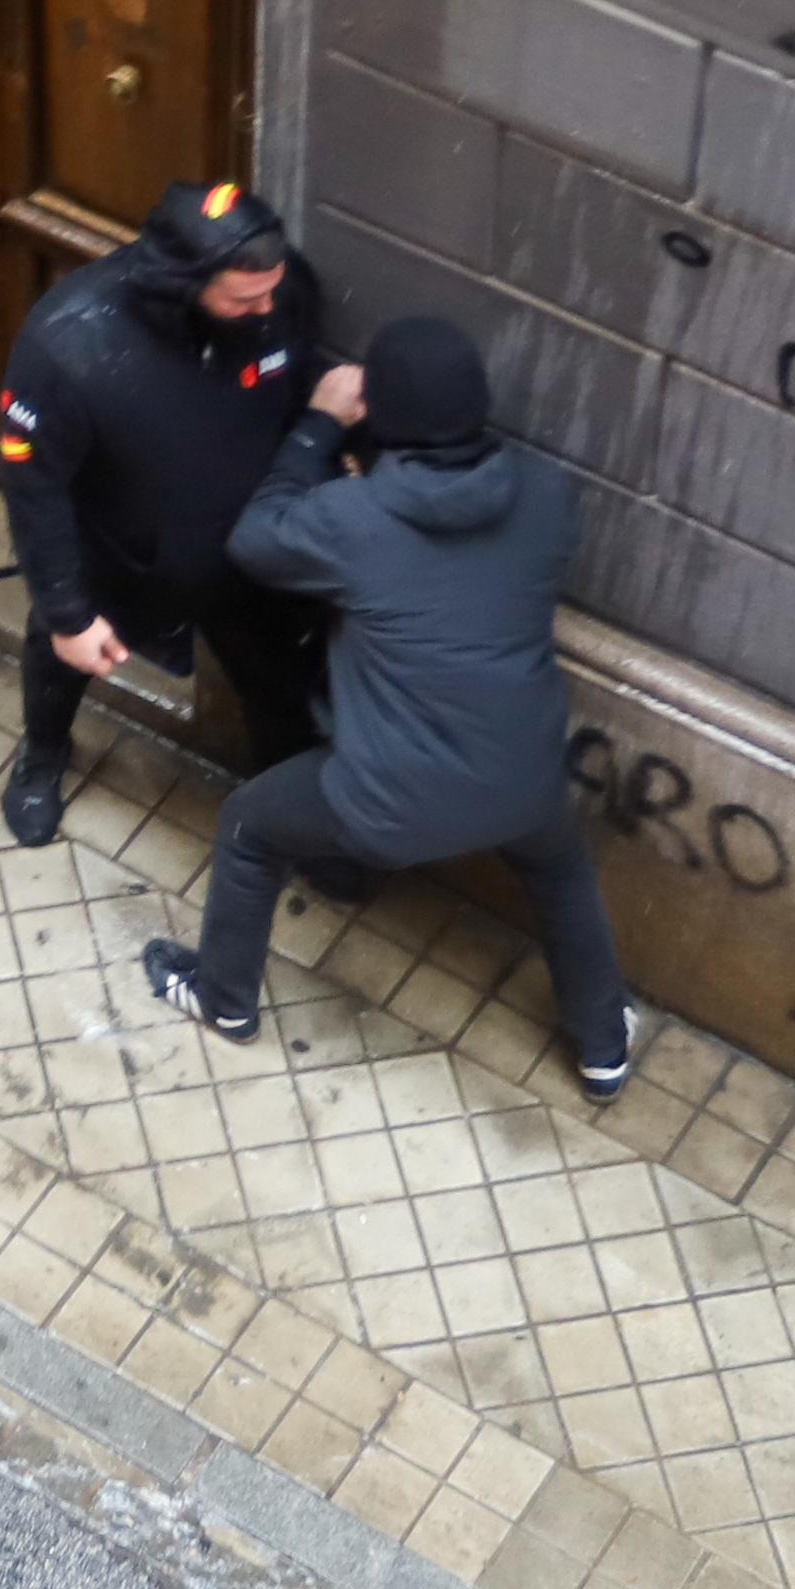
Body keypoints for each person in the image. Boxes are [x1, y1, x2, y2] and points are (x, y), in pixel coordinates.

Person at [142, 314, 639, 1099]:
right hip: (524, 781)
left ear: (383, 414)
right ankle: (604, 1049)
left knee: (250, 824)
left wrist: (315, 427)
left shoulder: (354, 518)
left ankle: (224, 998)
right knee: (562, 874)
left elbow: (256, 540)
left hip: (387, 806)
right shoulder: (548, 496)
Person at [0, 183, 332, 854]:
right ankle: (42, 754)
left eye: (273, 291)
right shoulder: (68, 344)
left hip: (249, 556)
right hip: (124, 561)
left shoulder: (281, 292)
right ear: (183, 283)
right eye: (245, 300)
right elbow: (34, 487)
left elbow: (295, 389)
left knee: (277, 689)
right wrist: (67, 614)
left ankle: (296, 815)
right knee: (59, 664)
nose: (268, 309)